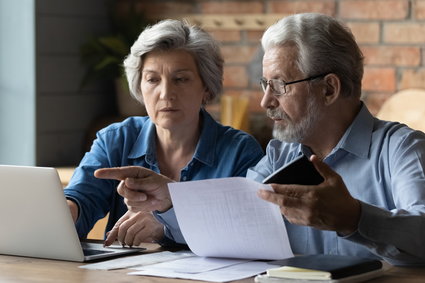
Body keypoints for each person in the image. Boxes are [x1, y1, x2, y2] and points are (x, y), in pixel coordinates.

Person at [99, 13, 425, 266]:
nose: (265, 102)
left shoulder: (403, 150)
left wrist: (354, 218)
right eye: (264, 85)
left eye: (280, 86)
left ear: (329, 89)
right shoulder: (278, 156)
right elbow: (230, 226)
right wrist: (170, 201)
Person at [64, 19, 264, 247]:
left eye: (181, 79)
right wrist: (67, 213)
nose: (166, 93)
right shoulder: (116, 139)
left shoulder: (240, 152)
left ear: (206, 88)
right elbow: (82, 198)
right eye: (153, 80)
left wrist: (167, 224)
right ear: (140, 87)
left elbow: (246, 232)